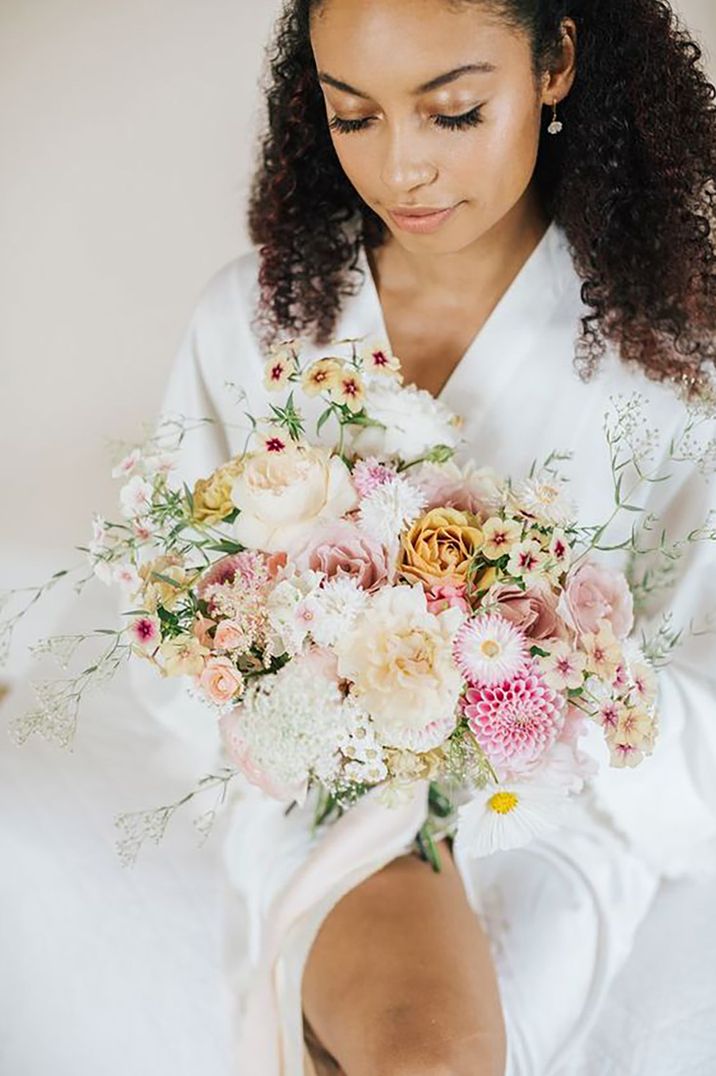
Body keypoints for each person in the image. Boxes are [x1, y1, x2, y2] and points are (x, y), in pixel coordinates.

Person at [152, 0, 716, 1073]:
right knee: (426, 1048)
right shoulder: (259, 321)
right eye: (352, 116)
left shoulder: (675, 366)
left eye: (451, 112)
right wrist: (313, 669)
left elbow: (694, 692)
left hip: (560, 811)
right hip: (329, 794)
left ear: (554, 62)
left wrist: (552, 680)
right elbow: (175, 628)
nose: (400, 168)